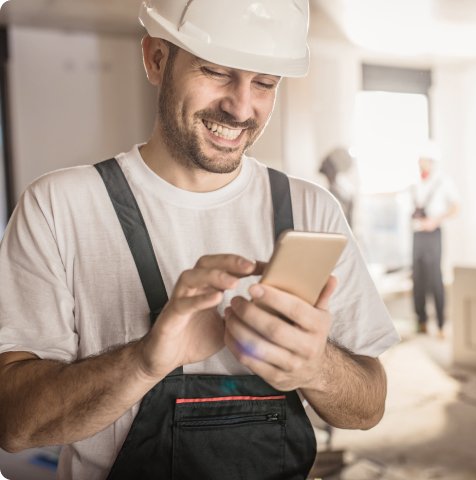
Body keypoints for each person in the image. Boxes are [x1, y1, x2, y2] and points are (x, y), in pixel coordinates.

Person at [0, 1, 400, 479]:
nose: (241, 106)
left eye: (265, 83)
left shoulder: (310, 210)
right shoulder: (59, 206)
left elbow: (369, 406)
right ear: (155, 59)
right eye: (216, 72)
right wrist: (145, 361)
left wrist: (316, 368)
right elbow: (12, 425)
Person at [411, 153, 459, 338]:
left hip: (433, 233)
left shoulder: (442, 182)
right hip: (417, 233)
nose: (421, 163)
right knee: (418, 278)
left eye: (424, 159)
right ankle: (421, 322)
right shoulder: (415, 184)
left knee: (434, 278)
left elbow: (456, 207)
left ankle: (440, 324)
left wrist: (435, 220)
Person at [318, 147, 355, 226]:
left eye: (327, 160)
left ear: (332, 167)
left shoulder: (340, 192)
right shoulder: (338, 189)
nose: (323, 161)